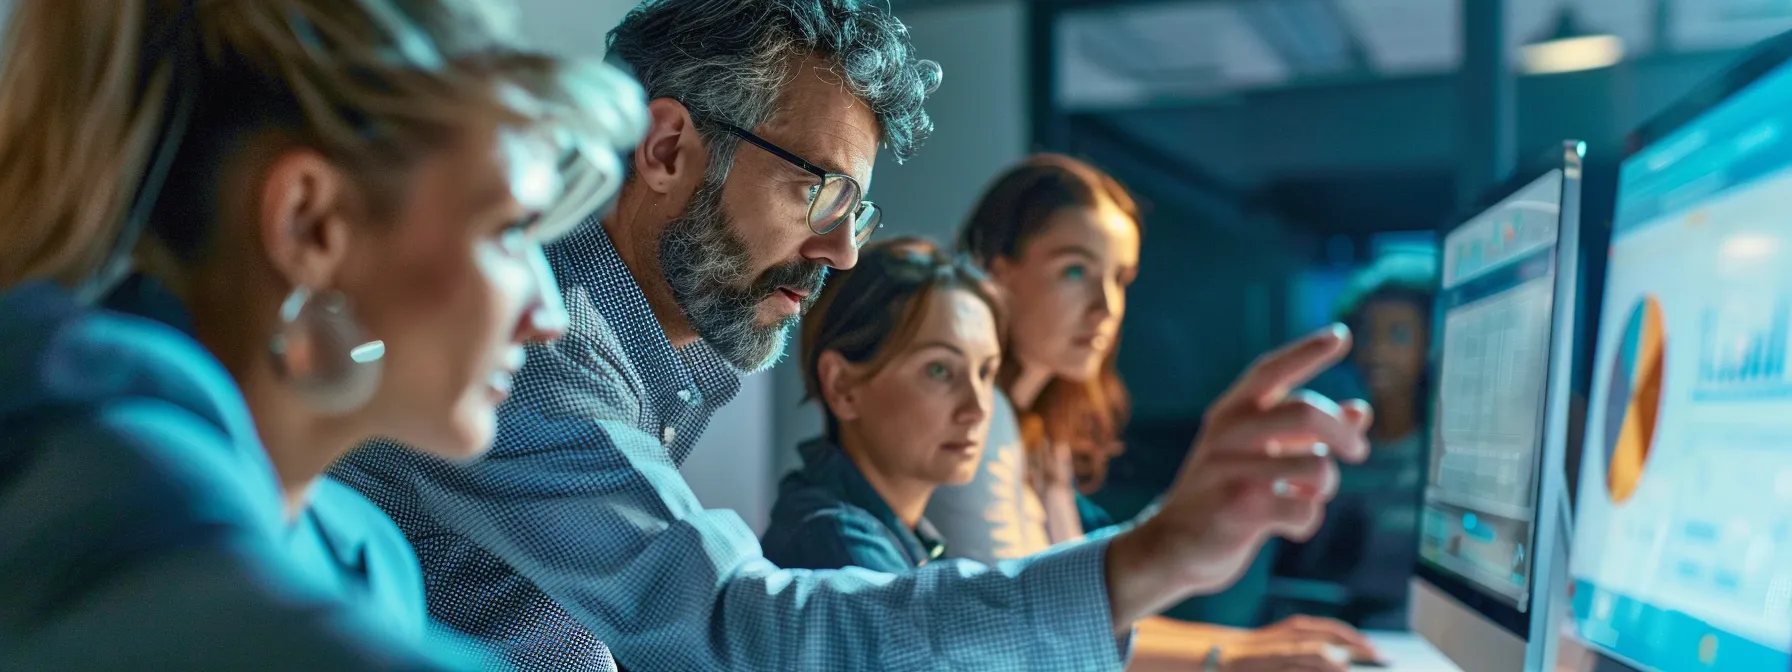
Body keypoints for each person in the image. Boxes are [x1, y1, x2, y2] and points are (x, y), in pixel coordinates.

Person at [335, 1, 1374, 670]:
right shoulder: (540, 356)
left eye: (857, 211)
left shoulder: (650, 359)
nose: (839, 252)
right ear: (665, 148)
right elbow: (736, 627)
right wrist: (1142, 563)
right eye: (815, 188)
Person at [0, 0, 644, 668]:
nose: (550, 318)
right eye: (509, 231)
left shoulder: (367, 555)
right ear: (311, 224)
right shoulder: (93, 482)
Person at [930, 154, 1380, 669]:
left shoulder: (1039, 428)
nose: (1106, 307)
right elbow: (1017, 640)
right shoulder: (978, 423)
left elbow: (1078, 618)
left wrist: (1239, 648)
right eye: (1075, 270)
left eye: (1119, 278)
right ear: (996, 272)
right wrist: (1226, 659)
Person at [761, 238, 1004, 572]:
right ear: (841, 386)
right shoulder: (837, 548)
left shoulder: (899, 534)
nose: (978, 409)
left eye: (986, 372)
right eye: (939, 369)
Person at [1278, 253, 1438, 629]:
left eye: (1398, 335)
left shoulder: (1440, 458)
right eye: (1367, 335)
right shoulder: (1327, 446)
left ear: (1431, 345)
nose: (1376, 352)